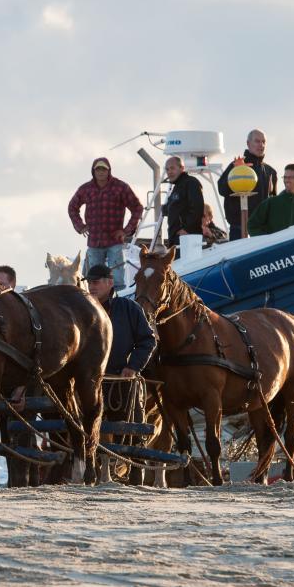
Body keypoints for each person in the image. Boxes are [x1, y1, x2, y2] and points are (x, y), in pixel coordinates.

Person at [86, 264, 156, 485]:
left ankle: (136, 478)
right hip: (91, 381)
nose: (92, 286)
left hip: (122, 381)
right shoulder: (84, 309)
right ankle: (95, 473)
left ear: (110, 283)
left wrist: (133, 366)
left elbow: (147, 340)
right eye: (89, 282)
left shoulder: (128, 308)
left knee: (133, 428)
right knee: (88, 428)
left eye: (96, 282)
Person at [68, 157, 143, 291]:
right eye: (98, 169)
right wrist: (80, 226)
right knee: (94, 279)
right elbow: (72, 207)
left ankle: (118, 301)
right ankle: (96, 304)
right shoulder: (86, 189)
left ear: (109, 171)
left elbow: (137, 207)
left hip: (115, 240)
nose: (101, 172)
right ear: (93, 171)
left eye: (104, 169)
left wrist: (126, 230)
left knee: (117, 280)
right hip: (94, 241)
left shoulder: (120, 187)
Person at [218, 129, 278, 240]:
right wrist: (236, 170)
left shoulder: (270, 172)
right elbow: (221, 189)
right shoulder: (236, 166)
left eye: (263, 142)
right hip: (239, 228)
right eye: (257, 141)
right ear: (248, 143)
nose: (261, 145)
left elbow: (273, 202)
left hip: (263, 229)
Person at [247, 164, 294, 236]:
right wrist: (267, 240)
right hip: (276, 246)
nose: (287, 180)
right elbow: (252, 226)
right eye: (285, 177)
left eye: (291, 177)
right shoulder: (271, 203)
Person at [162, 156, 205, 254]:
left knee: (187, 268)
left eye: (172, 168)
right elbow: (172, 208)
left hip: (187, 237)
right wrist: (164, 208)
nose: (169, 172)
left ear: (182, 168)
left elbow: (198, 208)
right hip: (175, 238)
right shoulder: (176, 188)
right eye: (167, 169)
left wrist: (187, 229)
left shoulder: (191, 182)